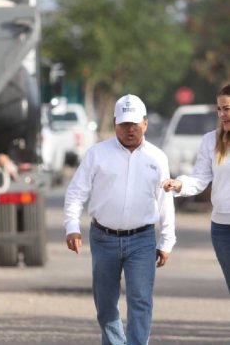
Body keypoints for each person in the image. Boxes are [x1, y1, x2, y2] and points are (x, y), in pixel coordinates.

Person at [63, 94, 176, 345]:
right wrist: (72, 226)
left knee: (141, 300)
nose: (130, 130)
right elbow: (76, 193)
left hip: (142, 239)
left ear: (145, 124)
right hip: (104, 238)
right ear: (115, 123)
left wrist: (167, 240)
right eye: (124, 124)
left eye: (135, 124)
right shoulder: (97, 154)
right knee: (105, 304)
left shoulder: (157, 158)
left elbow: (164, 200)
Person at [162, 83, 230, 293]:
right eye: (219, 109)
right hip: (222, 228)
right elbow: (200, 178)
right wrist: (180, 184)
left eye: (226, 108)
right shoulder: (211, 140)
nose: (221, 114)